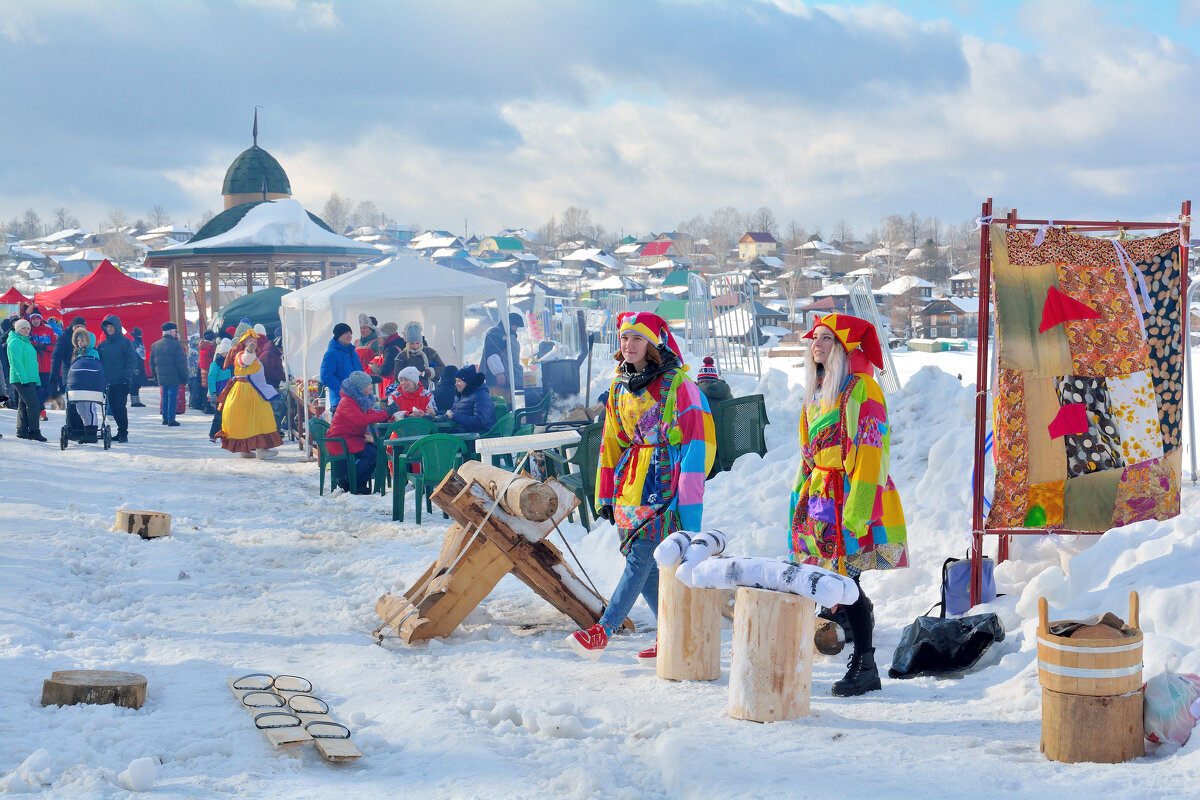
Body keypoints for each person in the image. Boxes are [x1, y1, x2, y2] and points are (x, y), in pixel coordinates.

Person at [566, 312, 715, 662]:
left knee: (639, 559)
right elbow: (610, 442)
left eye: (636, 338)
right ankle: (672, 636)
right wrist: (604, 493)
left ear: (652, 344)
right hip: (630, 484)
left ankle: (604, 630)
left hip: (665, 483)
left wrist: (689, 500)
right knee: (645, 563)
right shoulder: (618, 388)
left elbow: (698, 441)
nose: (628, 345)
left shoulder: (679, 385)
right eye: (623, 338)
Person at [790, 313, 908, 697]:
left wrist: (857, 510)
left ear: (844, 348)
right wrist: (799, 498)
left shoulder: (863, 390)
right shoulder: (818, 391)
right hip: (822, 496)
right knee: (838, 580)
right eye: (815, 339)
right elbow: (808, 453)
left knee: (844, 580)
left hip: (853, 494)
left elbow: (873, 450)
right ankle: (861, 634)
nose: (817, 345)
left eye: (827, 339)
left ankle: (866, 664)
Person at [325, 370, 396, 493]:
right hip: (340, 440)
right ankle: (350, 482)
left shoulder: (359, 399)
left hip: (351, 438)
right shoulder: (348, 401)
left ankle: (357, 482)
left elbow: (371, 413)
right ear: (361, 387)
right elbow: (362, 420)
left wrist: (388, 414)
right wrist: (386, 412)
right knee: (373, 454)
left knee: (377, 451)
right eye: (368, 384)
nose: (371, 386)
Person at [216, 330, 282, 459]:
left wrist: (251, 350)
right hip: (247, 392)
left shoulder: (249, 355)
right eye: (250, 341)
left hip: (247, 390)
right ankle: (261, 449)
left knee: (245, 420)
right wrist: (250, 350)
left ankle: (245, 450)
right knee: (258, 418)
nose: (253, 343)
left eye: (255, 341)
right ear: (244, 343)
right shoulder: (241, 354)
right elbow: (245, 360)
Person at [97, 315, 139, 443]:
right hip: (108, 382)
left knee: (120, 407)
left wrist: (126, 377)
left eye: (111, 326)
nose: (109, 329)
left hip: (121, 381)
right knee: (114, 408)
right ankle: (120, 431)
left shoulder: (125, 342)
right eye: (107, 327)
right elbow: (98, 361)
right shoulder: (103, 345)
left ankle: (123, 433)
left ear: (117, 327)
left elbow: (132, 360)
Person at [7, 318, 46, 441]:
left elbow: (32, 363)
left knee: (23, 404)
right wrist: (24, 379)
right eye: (23, 328)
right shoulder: (15, 342)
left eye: (28, 328)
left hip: (30, 378)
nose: (26, 330)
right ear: (18, 329)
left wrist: (36, 380)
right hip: (21, 379)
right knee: (34, 405)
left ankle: (22, 430)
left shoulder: (26, 342)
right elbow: (16, 363)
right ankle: (34, 431)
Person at [65, 329, 106, 432]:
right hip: (78, 387)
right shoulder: (77, 354)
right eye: (78, 340)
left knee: (89, 409)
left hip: (90, 386)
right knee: (81, 409)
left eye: (82, 340)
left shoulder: (93, 353)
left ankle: (92, 430)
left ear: (89, 341)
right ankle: (87, 428)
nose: (80, 343)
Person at [150, 322, 189, 426]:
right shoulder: (176, 345)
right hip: (174, 377)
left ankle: (165, 418)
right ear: (172, 332)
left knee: (164, 397)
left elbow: (152, 363)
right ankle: (171, 419)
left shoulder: (155, 345)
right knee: (172, 397)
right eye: (175, 331)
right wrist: (185, 376)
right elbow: (181, 363)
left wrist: (155, 376)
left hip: (161, 376)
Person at [481, 311, 524, 404]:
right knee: (499, 407)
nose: (516, 329)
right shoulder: (494, 333)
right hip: (498, 381)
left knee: (508, 406)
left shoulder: (509, 335)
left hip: (508, 380)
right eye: (515, 326)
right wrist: (499, 373)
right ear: (509, 324)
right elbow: (491, 353)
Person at [391, 321, 443, 389]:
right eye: (412, 344)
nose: (415, 346)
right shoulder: (402, 356)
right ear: (408, 343)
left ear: (421, 342)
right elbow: (398, 377)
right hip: (410, 391)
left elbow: (442, 368)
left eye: (417, 343)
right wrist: (413, 374)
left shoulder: (430, 352)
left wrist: (429, 372)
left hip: (430, 390)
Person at [444, 364, 495, 433]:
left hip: (478, 435)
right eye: (455, 381)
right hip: (463, 432)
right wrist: (435, 413)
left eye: (459, 381)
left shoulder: (481, 395)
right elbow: (452, 413)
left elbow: (480, 421)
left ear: (467, 382)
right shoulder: (460, 396)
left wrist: (454, 416)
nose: (456, 384)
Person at [320, 322, 358, 412]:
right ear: (338, 336)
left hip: (356, 400)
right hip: (340, 401)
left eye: (350, 333)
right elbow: (326, 376)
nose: (349, 336)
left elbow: (360, 373)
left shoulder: (353, 353)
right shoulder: (331, 353)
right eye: (345, 333)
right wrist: (343, 390)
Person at [26, 309, 56, 420]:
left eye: (37, 319)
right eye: (33, 319)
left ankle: (37, 408)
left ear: (40, 319)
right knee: (38, 389)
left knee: (48, 389)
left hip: (47, 366)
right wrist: (36, 345)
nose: (35, 321)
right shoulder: (28, 330)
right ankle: (40, 410)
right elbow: (26, 342)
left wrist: (44, 347)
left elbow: (54, 347)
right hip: (35, 366)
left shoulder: (48, 330)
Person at [50, 316, 87, 396]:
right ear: (72, 326)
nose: (79, 328)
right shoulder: (64, 337)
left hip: (84, 374)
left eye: (82, 326)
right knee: (72, 401)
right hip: (69, 373)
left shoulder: (87, 338)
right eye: (77, 326)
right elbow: (56, 357)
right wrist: (54, 375)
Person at [207, 338, 234, 442]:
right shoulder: (216, 364)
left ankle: (226, 434)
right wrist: (213, 393)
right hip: (220, 393)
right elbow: (211, 378)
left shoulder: (231, 365)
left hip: (230, 392)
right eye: (227, 352)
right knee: (219, 415)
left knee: (228, 414)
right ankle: (213, 434)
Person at [198, 331, 217, 413]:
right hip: (209, 368)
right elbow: (214, 356)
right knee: (209, 388)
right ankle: (209, 407)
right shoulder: (210, 347)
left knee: (204, 388)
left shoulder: (202, 345)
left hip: (203, 368)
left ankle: (204, 405)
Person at [128, 326, 148, 406]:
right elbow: (141, 355)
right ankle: (135, 402)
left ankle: (136, 401)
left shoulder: (133, 341)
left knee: (136, 384)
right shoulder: (136, 343)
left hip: (136, 365)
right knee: (135, 384)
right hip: (137, 365)